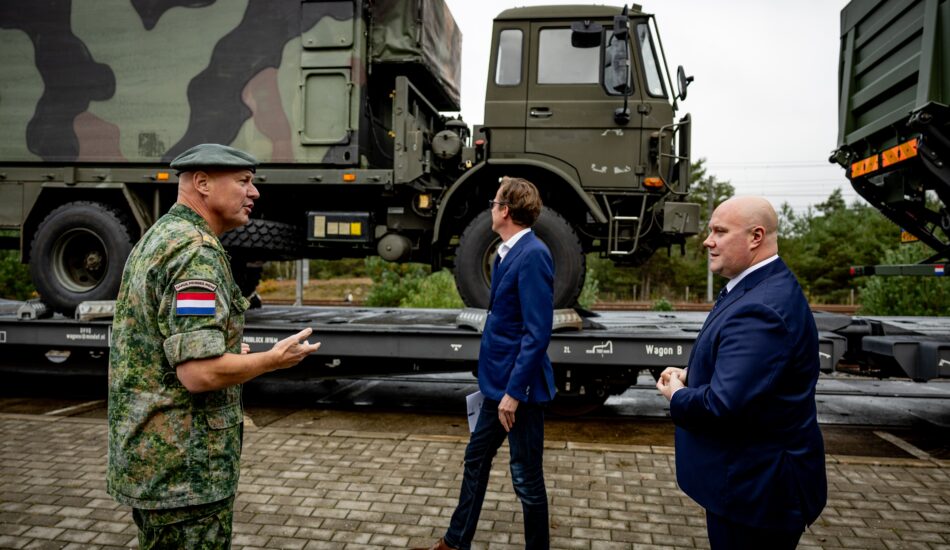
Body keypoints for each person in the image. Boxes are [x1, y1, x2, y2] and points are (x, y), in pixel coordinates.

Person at [107, 143, 321, 549]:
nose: (254, 192)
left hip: (156, 464)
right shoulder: (196, 253)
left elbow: (170, 347)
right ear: (202, 183)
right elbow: (199, 373)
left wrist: (227, 356)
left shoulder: (162, 236)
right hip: (185, 474)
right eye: (243, 181)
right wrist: (272, 360)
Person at [656, 196, 827, 549]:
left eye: (720, 231)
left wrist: (678, 394)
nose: (708, 241)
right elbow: (752, 374)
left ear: (755, 237)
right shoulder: (760, 287)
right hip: (752, 488)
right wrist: (692, 373)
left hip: (756, 495)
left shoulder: (761, 309)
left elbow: (722, 405)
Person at [415, 176, 556, 550]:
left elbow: (537, 333)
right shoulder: (506, 252)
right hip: (498, 387)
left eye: (494, 203)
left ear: (505, 211)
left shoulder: (534, 254)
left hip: (519, 393)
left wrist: (514, 393)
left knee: (526, 478)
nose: (491, 209)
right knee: (475, 459)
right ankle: (455, 542)